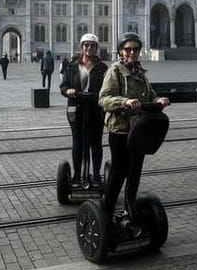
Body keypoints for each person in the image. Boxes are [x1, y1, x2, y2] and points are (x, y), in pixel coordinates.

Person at [99, 32, 170, 221]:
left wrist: (158, 100)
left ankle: (130, 209)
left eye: (135, 49)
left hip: (139, 130)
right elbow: (104, 99)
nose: (132, 52)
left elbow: (150, 94)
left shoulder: (140, 72)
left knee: (135, 172)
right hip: (120, 130)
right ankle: (107, 210)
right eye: (128, 49)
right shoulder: (115, 71)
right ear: (121, 51)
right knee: (119, 171)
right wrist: (125, 102)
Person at [61, 34, 109, 187]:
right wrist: (68, 91)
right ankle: (76, 175)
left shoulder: (102, 68)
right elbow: (63, 86)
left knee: (96, 142)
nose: (89, 48)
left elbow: (108, 88)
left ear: (96, 48)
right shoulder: (72, 66)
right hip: (77, 108)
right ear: (81, 47)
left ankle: (95, 175)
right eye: (86, 45)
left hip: (95, 109)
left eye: (92, 46)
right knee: (78, 142)